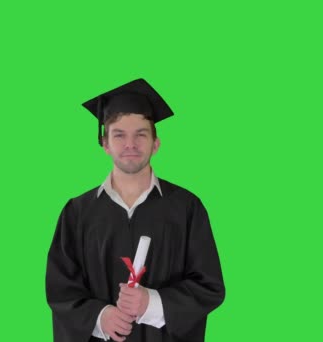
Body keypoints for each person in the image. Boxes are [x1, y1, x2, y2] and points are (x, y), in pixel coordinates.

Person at [45, 78, 225, 342]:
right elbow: (60, 291)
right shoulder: (77, 213)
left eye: (141, 134)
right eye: (119, 134)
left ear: (156, 143)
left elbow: (209, 286)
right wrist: (99, 316)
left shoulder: (187, 207)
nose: (131, 144)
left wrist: (152, 303)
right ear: (105, 144)